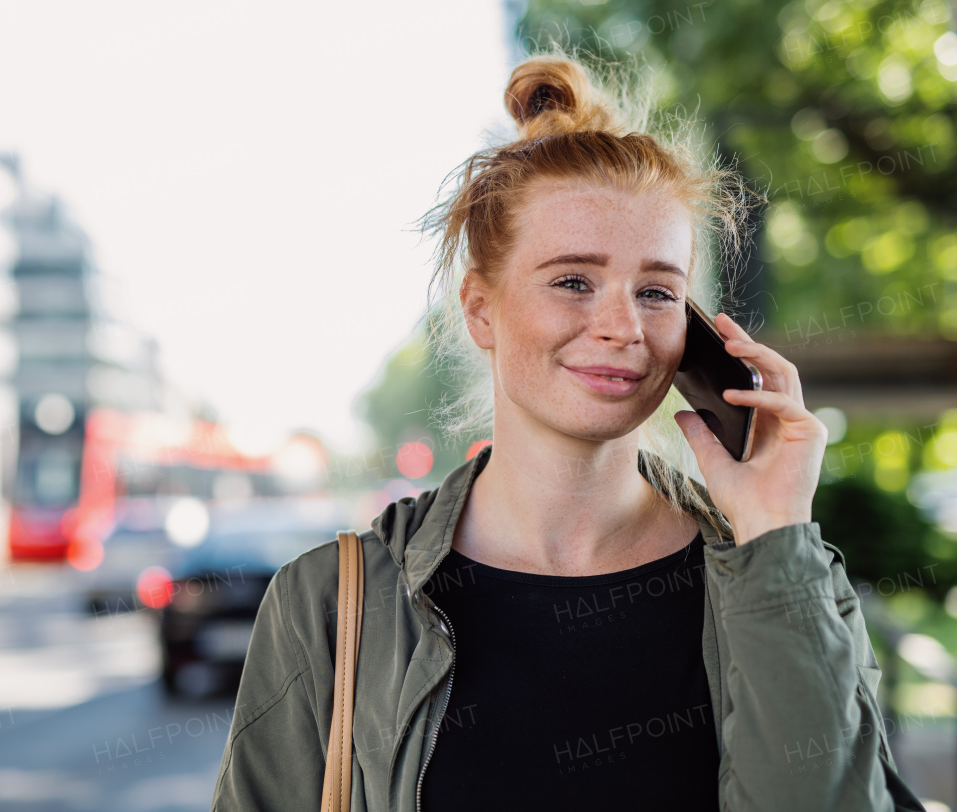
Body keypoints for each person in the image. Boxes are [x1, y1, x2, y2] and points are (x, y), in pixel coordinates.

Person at [210, 47, 925, 812]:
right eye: (574, 281)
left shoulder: (777, 578)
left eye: (656, 290)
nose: (623, 327)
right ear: (481, 309)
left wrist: (775, 533)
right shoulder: (330, 603)